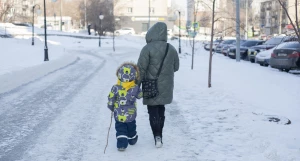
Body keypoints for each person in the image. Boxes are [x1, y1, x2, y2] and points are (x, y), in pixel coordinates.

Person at [137, 22, 180, 148]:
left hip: (151, 85)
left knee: (152, 111)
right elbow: (176, 67)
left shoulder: (147, 49)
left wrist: (136, 85)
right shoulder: (170, 48)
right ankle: (159, 135)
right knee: (161, 109)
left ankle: (156, 135)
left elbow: (141, 69)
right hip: (166, 85)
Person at [107, 62, 143, 151]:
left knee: (120, 128)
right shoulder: (135, 87)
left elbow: (111, 97)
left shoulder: (115, 87)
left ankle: (122, 144)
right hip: (131, 113)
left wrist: (111, 106)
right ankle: (132, 139)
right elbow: (140, 96)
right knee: (131, 127)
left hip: (119, 113)